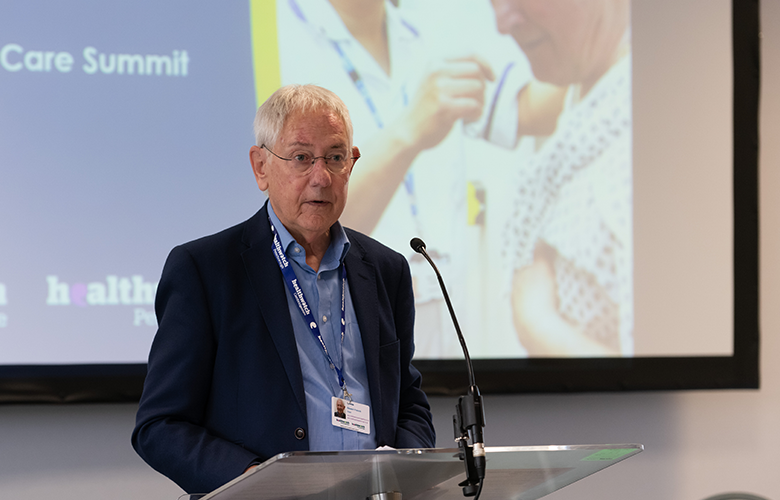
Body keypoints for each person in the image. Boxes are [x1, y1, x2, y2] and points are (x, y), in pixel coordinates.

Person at [132, 84, 436, 494]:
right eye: (301, 158)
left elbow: (408, 403)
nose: (321, 177)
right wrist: (257, 483)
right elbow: (160, 426)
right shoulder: (205, 270)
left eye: (335, 157)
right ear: (261, 167)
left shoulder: (386, 269)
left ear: (352, 163)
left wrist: (405, 469)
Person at [486, 0, 633, 355]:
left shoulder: (639, 151)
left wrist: (537, 325)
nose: (502, 23)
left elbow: (663, 374)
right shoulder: (585, 91)